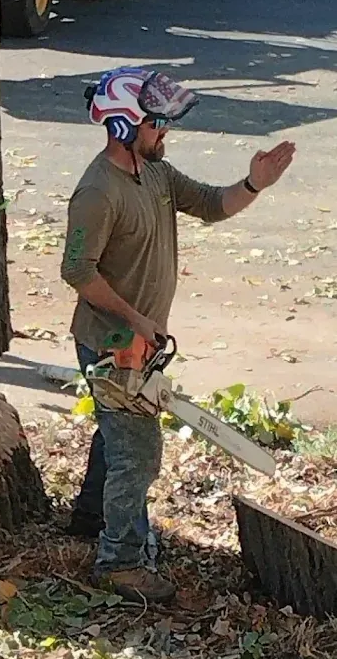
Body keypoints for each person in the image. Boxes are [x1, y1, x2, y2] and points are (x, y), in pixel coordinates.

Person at [60, 66, 296, 603]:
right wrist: (135, 323)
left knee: (117, 435)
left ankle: (91, 516)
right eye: (155, 125)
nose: (164, 134)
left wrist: (255, 182)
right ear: (124, 125)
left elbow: (213, 204)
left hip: (140, 339)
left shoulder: (156, 174)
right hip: (110, 343)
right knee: (138, 452)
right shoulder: (98, 192)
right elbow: (77, 270)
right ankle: (120, 561)